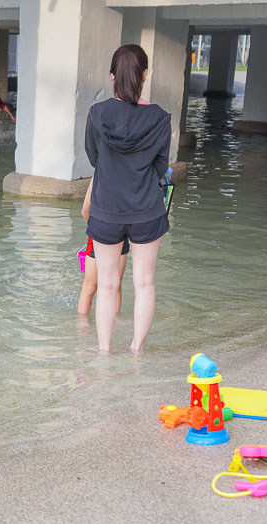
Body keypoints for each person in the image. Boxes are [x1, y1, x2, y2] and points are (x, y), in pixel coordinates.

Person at [82, 44, 171, 355]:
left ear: (112, 76)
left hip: (106, 210)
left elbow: (94, 158)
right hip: (147, 209)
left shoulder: (96, 114)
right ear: (145, 75)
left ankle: (104, 350)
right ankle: (136, 348)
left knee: (106, 284)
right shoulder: (160, 118)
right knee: (144, 283)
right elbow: (161, 166)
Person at [77, 236, 128, 316]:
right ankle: (82, 321)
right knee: (90, 286)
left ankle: (115, 318)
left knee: (116, 284)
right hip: (99, 232)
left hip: (121, 234)